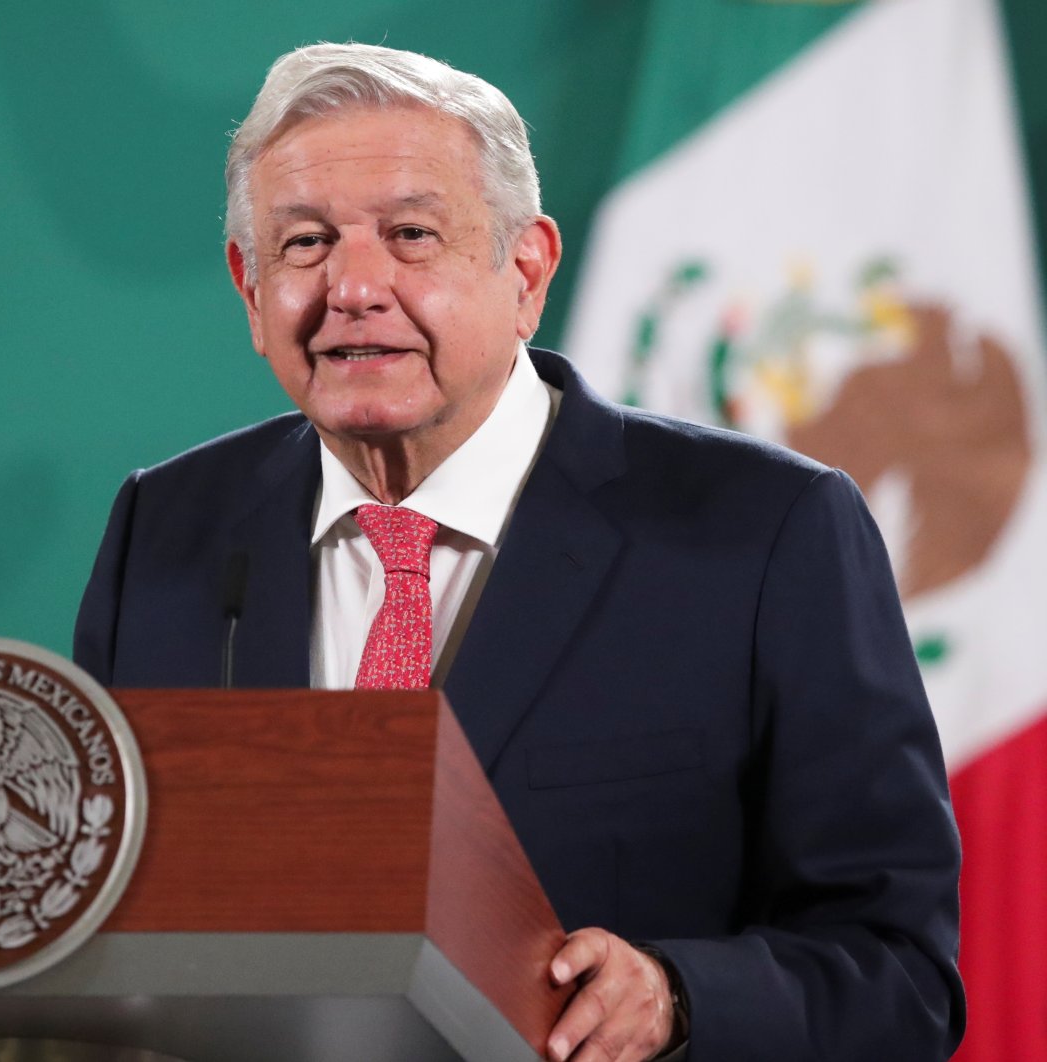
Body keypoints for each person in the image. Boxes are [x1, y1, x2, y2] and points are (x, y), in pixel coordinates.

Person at [74, 43, 963, 1062]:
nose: (355, 286)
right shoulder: (167, 530)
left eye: (411, 236)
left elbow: (901, 977)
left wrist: (676, 999)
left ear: (526, 268)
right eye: (306, 244)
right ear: (248, 284)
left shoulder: (765, 534)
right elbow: (103, 922)